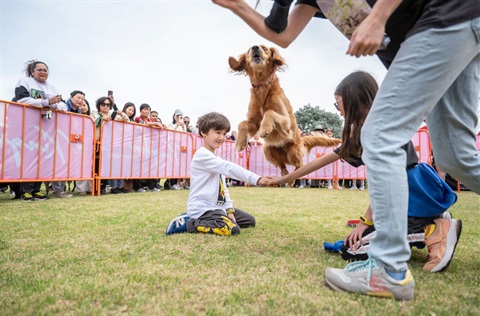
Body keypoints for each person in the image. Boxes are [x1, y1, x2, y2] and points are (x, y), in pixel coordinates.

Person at [214, 0, 479, 300]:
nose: (337, 110)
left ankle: (390, 270)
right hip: (463, 24)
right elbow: (282, 36)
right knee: (456, 157)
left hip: (447, 18)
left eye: (338, 104)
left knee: (379, 137)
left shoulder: (362, 126)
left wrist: (378, 17)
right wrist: (236, 6)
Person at [268, 71, 464, 298]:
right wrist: (283, 179)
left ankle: (433, 230)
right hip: (414, 191)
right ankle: (428, 223)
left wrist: (365, 221)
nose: (338, 110)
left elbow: (388, 183)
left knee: (354, 247)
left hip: (412, 195)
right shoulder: (371, 126)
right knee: (352, 246)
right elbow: (324, 160)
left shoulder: (373, 130)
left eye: (338, 104)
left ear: (353, 98)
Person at [166, 112, 268, 236]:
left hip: (217, 208)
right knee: (232, 229)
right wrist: (257, 179)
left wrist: (229, 210)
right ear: (203, 132)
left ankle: (213, 218)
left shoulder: (215, 158)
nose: (221, 137)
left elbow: (223, 188)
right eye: (218, 132)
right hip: (203, 209)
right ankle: (187, 223)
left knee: (249, 221)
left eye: (224, 134)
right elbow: (229, 167)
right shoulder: (202, 155)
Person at [12, 60, 69, 201]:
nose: (43, 72)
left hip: (46, 128)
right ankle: (25, 190)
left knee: (42, 159)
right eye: (39, 69)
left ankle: (36, 190)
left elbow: (63, 106)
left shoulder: (52, 87)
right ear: (32, 72)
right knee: (26, 158)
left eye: (45, 70)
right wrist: (46, 102)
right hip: (26, 127)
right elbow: (21, 100)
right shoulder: (24, 81)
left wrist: (53, 105)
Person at [167, 109, 187, 190]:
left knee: (179, 165)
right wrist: (176, 125)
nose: (179, 117)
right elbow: (170, 133)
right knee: (172, 165)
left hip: (181, 148)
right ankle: (172, 183)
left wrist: (183, 127)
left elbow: (186, 135)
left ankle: (177, 183)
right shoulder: (170, 124)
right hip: (172, 147)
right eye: (177, 116)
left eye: (180, 116)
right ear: (174, 116)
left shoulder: (183, 125)